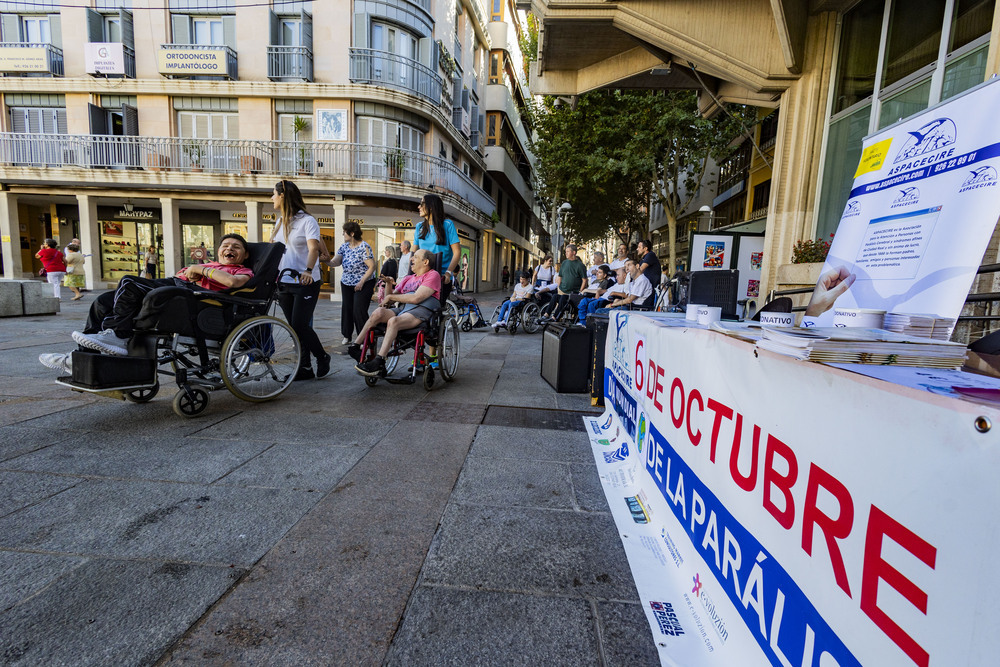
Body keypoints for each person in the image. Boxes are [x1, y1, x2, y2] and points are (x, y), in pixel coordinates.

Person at [43, 234, 254, 365]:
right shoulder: (212, 264)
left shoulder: (242, 270)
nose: (230, 249)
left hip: (187, 296)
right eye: (226, 245)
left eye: (236, 247)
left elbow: (232, 283)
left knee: (129, 282)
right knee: (103, 301)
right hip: (174, 284)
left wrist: (200, 269)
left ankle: (119, 335)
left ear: (244, 255)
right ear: (218, 251)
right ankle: (82, 357)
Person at [269, 180, 332, 381]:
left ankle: (322, 356)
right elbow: (273, 249)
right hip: (284, 281)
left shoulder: (308, 221)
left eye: (273, 194)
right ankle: (304, 367)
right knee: (294, 327)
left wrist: (308, 270)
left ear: (283, 196)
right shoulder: (279, 222)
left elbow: (314, 248)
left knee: (300, 324)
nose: (271, 198)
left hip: (305, 281)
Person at [351, 248, 442, 377]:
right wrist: (388, 284)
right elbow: (390, 299)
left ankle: (379, 361)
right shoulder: (408, 278)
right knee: (378, 312)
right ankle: (355, 347)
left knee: (393, 321)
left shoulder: (433, 275)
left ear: (425, 261)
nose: (411, 259)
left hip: (421, 309)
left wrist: (391, 297)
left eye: (415, 257)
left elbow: (417, 298)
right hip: (403, 308)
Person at [328, 220, 376, 346]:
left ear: (352, 233)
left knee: (358, 310)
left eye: (345, 232)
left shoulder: (364, 247)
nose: (343, 234)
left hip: (364, 282)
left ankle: (363, 337)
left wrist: (361, 281)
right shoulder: (344, 247)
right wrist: (326, 260)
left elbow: (371, 266)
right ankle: (347, 335)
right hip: (347, 282)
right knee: (347, 309)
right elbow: (335, 262)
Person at [414, 193, 461, 281]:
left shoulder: (447, 225)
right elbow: (413, 252)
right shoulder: (419, 227)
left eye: (422, 204)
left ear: (431, 207)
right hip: (422, 276)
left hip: (442, 276)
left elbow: (457, 252)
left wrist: (448, 272)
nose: (418, 207)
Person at [539, 244, 588, 322]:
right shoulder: (564, 263)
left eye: (568, 251)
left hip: (573, 293)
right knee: (555, 296)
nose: (566, 253)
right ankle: (546, 315)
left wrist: (580, 292)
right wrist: (559, 287)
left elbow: (584, 280)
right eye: (566, 251)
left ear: (574, 252)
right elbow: (560, 276)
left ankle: (555, 317)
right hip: (562, 289)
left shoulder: (580, 265)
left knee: (563, 298)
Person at [636, 239, 661, 309]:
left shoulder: (650, 255)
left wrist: (637, 269)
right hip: (644, 289)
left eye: (639, 247)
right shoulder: (644, 258)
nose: (637, 249)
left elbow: (640, 270)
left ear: (645, 248)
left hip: (649, 290)